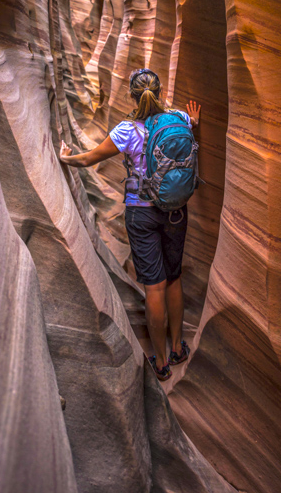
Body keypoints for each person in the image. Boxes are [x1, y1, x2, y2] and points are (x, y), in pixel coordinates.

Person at [59, 68, 201, 382]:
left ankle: (161, 362)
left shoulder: (127, 130)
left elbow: (88, 159)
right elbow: (189, 130)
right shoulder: (178, 118)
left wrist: (65, 156)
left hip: (142, 215)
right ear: (160, 91)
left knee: (155, 287)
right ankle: (178, 348)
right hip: (176, 211)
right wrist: (194, 121)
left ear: (133, 97)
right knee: (174, 278)